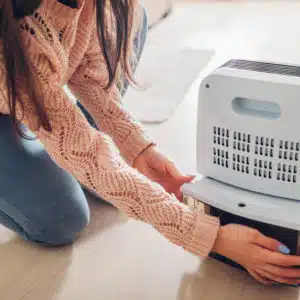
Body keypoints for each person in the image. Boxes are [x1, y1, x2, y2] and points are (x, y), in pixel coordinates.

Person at [0, 0, 300, 286]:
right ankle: (51, 136)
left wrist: (137, 148)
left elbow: (89, 77)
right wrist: (212, 237)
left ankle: (58, 133)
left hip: (31, 85)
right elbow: (87, 155)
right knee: (62, 220)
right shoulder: (22, 35)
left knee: (133, 15)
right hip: (11, 77)